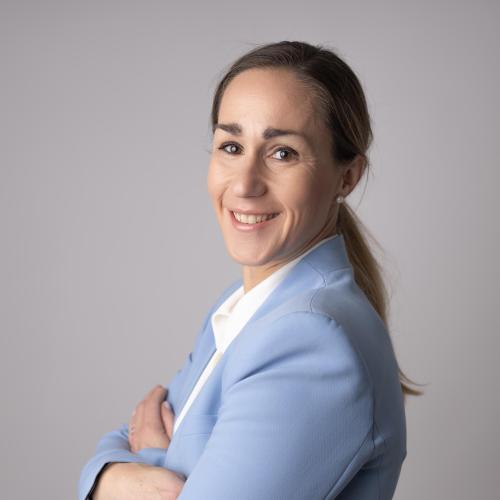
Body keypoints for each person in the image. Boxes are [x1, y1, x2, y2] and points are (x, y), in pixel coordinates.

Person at [78, 40, 422, 500]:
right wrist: (108, 476)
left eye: (283, 153)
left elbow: (140, 441)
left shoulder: (310, 339)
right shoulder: (243, 306)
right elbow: (128, 435)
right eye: (231, 146)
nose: (244, 184)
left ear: (347, 176)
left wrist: (146, 461)